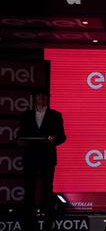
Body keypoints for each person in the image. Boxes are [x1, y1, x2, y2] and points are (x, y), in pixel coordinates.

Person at [17, 88, 66, 219]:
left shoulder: (55, 115)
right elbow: (20, 135)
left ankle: (46, 211)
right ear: (34, 98)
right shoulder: (26, 115)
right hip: (30, 156)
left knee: (47, 186)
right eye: (38, 96)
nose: (41, 98)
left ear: (47, 98)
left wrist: (51, 139)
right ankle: (28, 212)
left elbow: (62, 137)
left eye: (44, 96)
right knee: (29, 185)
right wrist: (22, 141)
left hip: (47, 156)